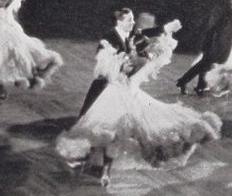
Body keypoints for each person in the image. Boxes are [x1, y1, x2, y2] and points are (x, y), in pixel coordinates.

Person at [56, 14, 220, 183]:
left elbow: (145, 43)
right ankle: (98, 167)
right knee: (101, 131)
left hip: (121, 93)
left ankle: (102, 170)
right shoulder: (118, 44)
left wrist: (165, 34)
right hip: (111, 91)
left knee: (109, 131)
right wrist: (123, 63)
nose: (134, 24)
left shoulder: (134, 48)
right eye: (130, 20)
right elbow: (108, 67)